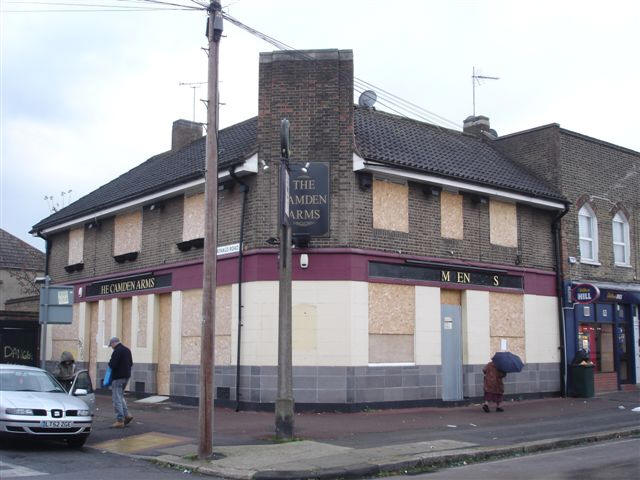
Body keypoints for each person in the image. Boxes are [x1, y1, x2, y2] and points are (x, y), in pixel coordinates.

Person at [108, 337, 133, 428]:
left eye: (111, 345)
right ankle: (127, 415)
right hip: (126, 376)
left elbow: (112, 365)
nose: (111, 347)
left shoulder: (117, 351)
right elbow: (131, 363)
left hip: (118, 377)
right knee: (120, 396)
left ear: (114, 343)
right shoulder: (127, 350)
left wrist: (110, 363)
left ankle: (120, 420)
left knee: (116, 398)